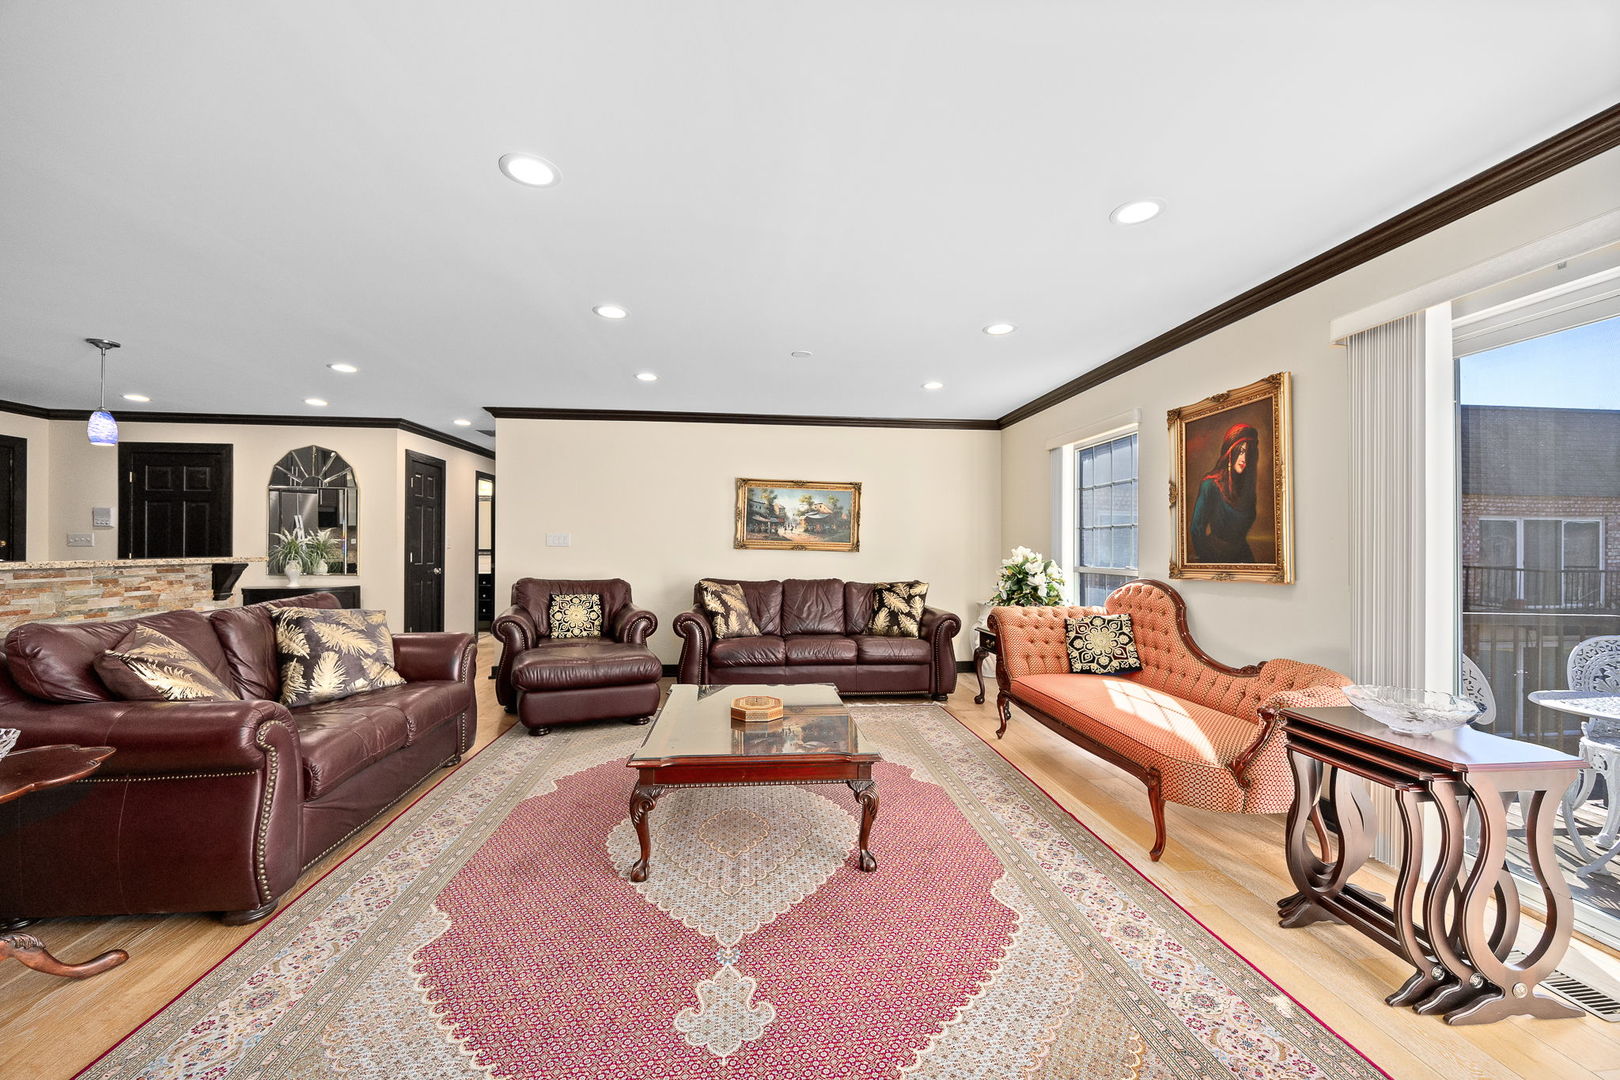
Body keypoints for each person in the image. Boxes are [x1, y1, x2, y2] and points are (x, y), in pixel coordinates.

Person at [1190, 422, 1259, 562]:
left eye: (1248, 453)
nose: (1244, 459)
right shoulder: (1210, 485)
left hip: (1244, 557)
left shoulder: (1246, 487)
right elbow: (1196, 528)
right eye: (1241, 451)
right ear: (1230, 452)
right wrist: (1206, 560)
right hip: (1215, 556)